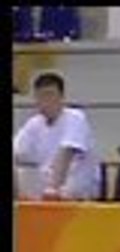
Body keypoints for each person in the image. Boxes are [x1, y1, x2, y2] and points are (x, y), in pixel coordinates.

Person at [13, 72, 102, 201]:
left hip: (79, 195)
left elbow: (65, 154)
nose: (46, 101)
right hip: (46, 194)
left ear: (62, 97)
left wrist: (53, 189)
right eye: (41, 96)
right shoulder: (34, 124)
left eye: (50, 95)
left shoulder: (76, 118)